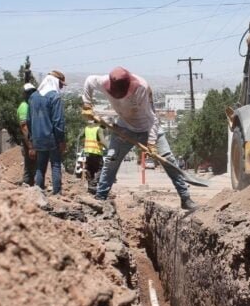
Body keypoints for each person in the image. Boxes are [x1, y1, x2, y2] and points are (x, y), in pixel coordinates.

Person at [82, 66, 197, 210]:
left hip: (149, 128)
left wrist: (152, 143)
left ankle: (185, 198)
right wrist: (87, 104)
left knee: (169, 160)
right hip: (124, 128)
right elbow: (88, 81)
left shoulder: (141, 87)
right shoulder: (103, 81)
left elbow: (153, 119)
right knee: (111, 161)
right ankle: (101, 198)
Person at [28, 70, 66, 195]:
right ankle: (57, 193)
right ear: (56, 81)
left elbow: (29, 120)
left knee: (40, 166)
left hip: (37, 138)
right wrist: (61, 140)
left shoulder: (33, 97)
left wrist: (32, 140)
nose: (61, 87)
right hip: (52, 137)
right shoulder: (55, 97)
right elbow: (58, 122)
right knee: (55, 165)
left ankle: (38, 192)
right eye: (61, 84)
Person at [17, 83, 37, 186]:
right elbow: (24, 128)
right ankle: (27, 186)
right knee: (29, 166)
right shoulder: (24, 107)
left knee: (32, 166)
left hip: (32, 140)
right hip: (28, 141)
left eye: (33, 91)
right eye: (29, 92)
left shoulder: (30, 105)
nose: (32, 94)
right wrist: (30, 146)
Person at [82, 119, 108, 193]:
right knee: (101, 168)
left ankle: (91, 187)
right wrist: (109, 149)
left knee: (90, 169)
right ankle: (94, 183)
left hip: (87, 152)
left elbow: (81, 137)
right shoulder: (98, 129)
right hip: (96, 152)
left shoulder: (87, 128)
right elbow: (102, 141)